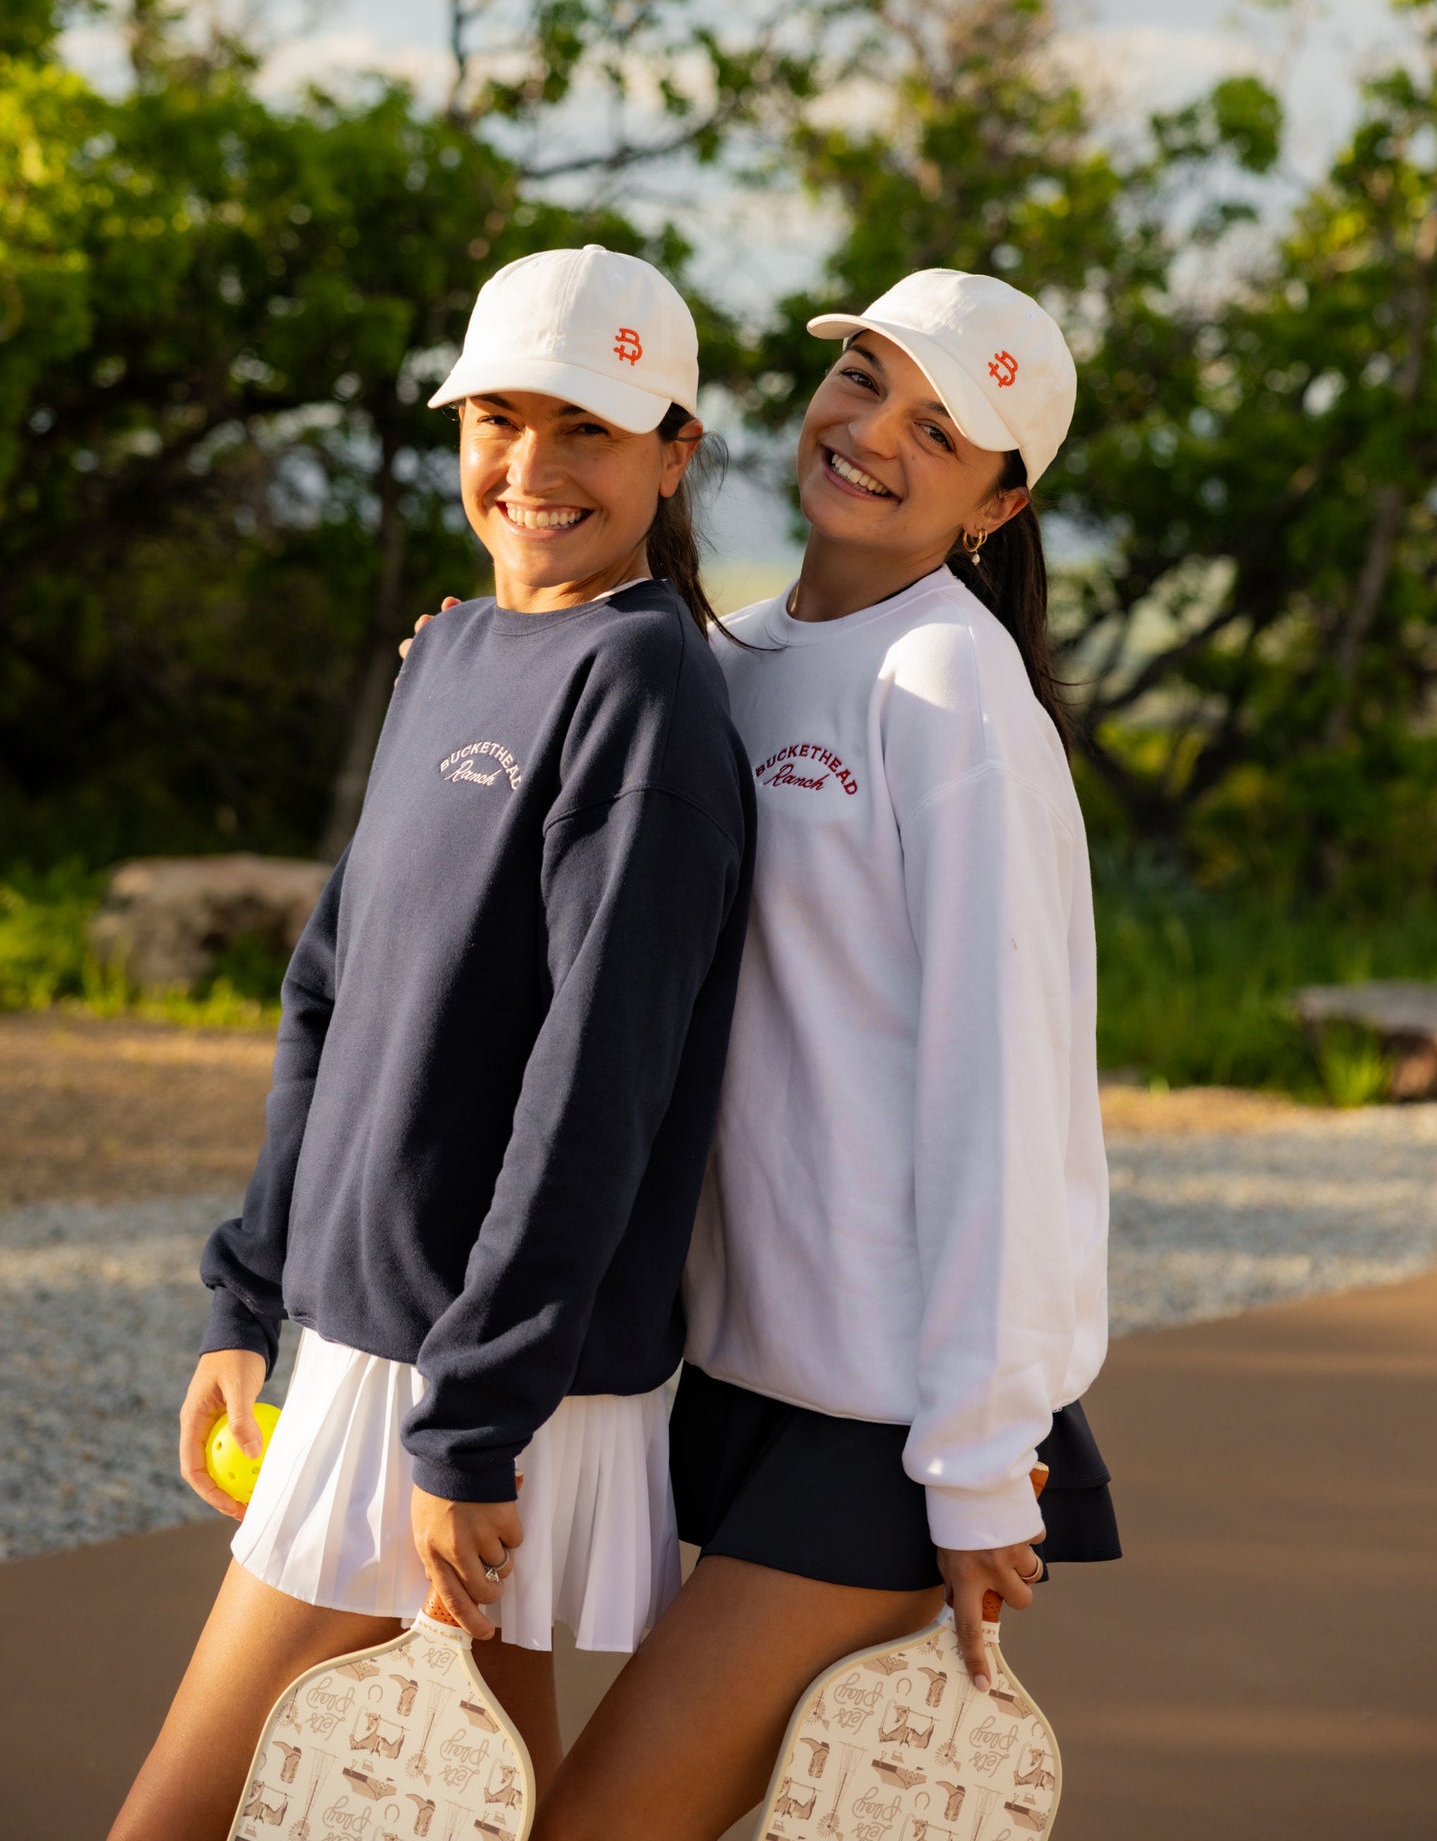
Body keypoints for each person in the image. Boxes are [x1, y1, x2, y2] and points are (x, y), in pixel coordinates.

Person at [107, 245, 756, 1841]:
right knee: (475, 1807)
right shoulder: (454, 647)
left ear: (675, 450)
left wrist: (469, 1429)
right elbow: (330, 988)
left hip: (466, 1374)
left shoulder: (647, 693)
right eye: (500, 421)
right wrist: (244, 1292)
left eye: (589, 430)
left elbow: (595, 1090)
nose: (532, 469)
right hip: (380, 1344)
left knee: (179, 1819)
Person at [530, 268, 1117, 1841]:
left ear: (997, 502)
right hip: (717, 1373)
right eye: (863, 379)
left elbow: (1011, 1095)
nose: (872, 434)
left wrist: (983, 1463)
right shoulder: (727, 659)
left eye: (941, 431)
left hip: (880, 1414)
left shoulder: (951, 688)